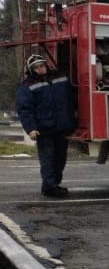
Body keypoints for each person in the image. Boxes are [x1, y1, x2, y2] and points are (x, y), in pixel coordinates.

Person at [16, 53, 76, 197]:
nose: (40, 69)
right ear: (31, 70)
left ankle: (53, 184)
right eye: (36, 68)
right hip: (44, 129)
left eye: (42, 66)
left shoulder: (60, 77)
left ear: (46, 65)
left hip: (62, 127)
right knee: (48, 159)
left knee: (60, 159)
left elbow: (72, 97)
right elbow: (24, 109)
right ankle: (50, 187)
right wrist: (31, 128)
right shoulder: (28, 86)